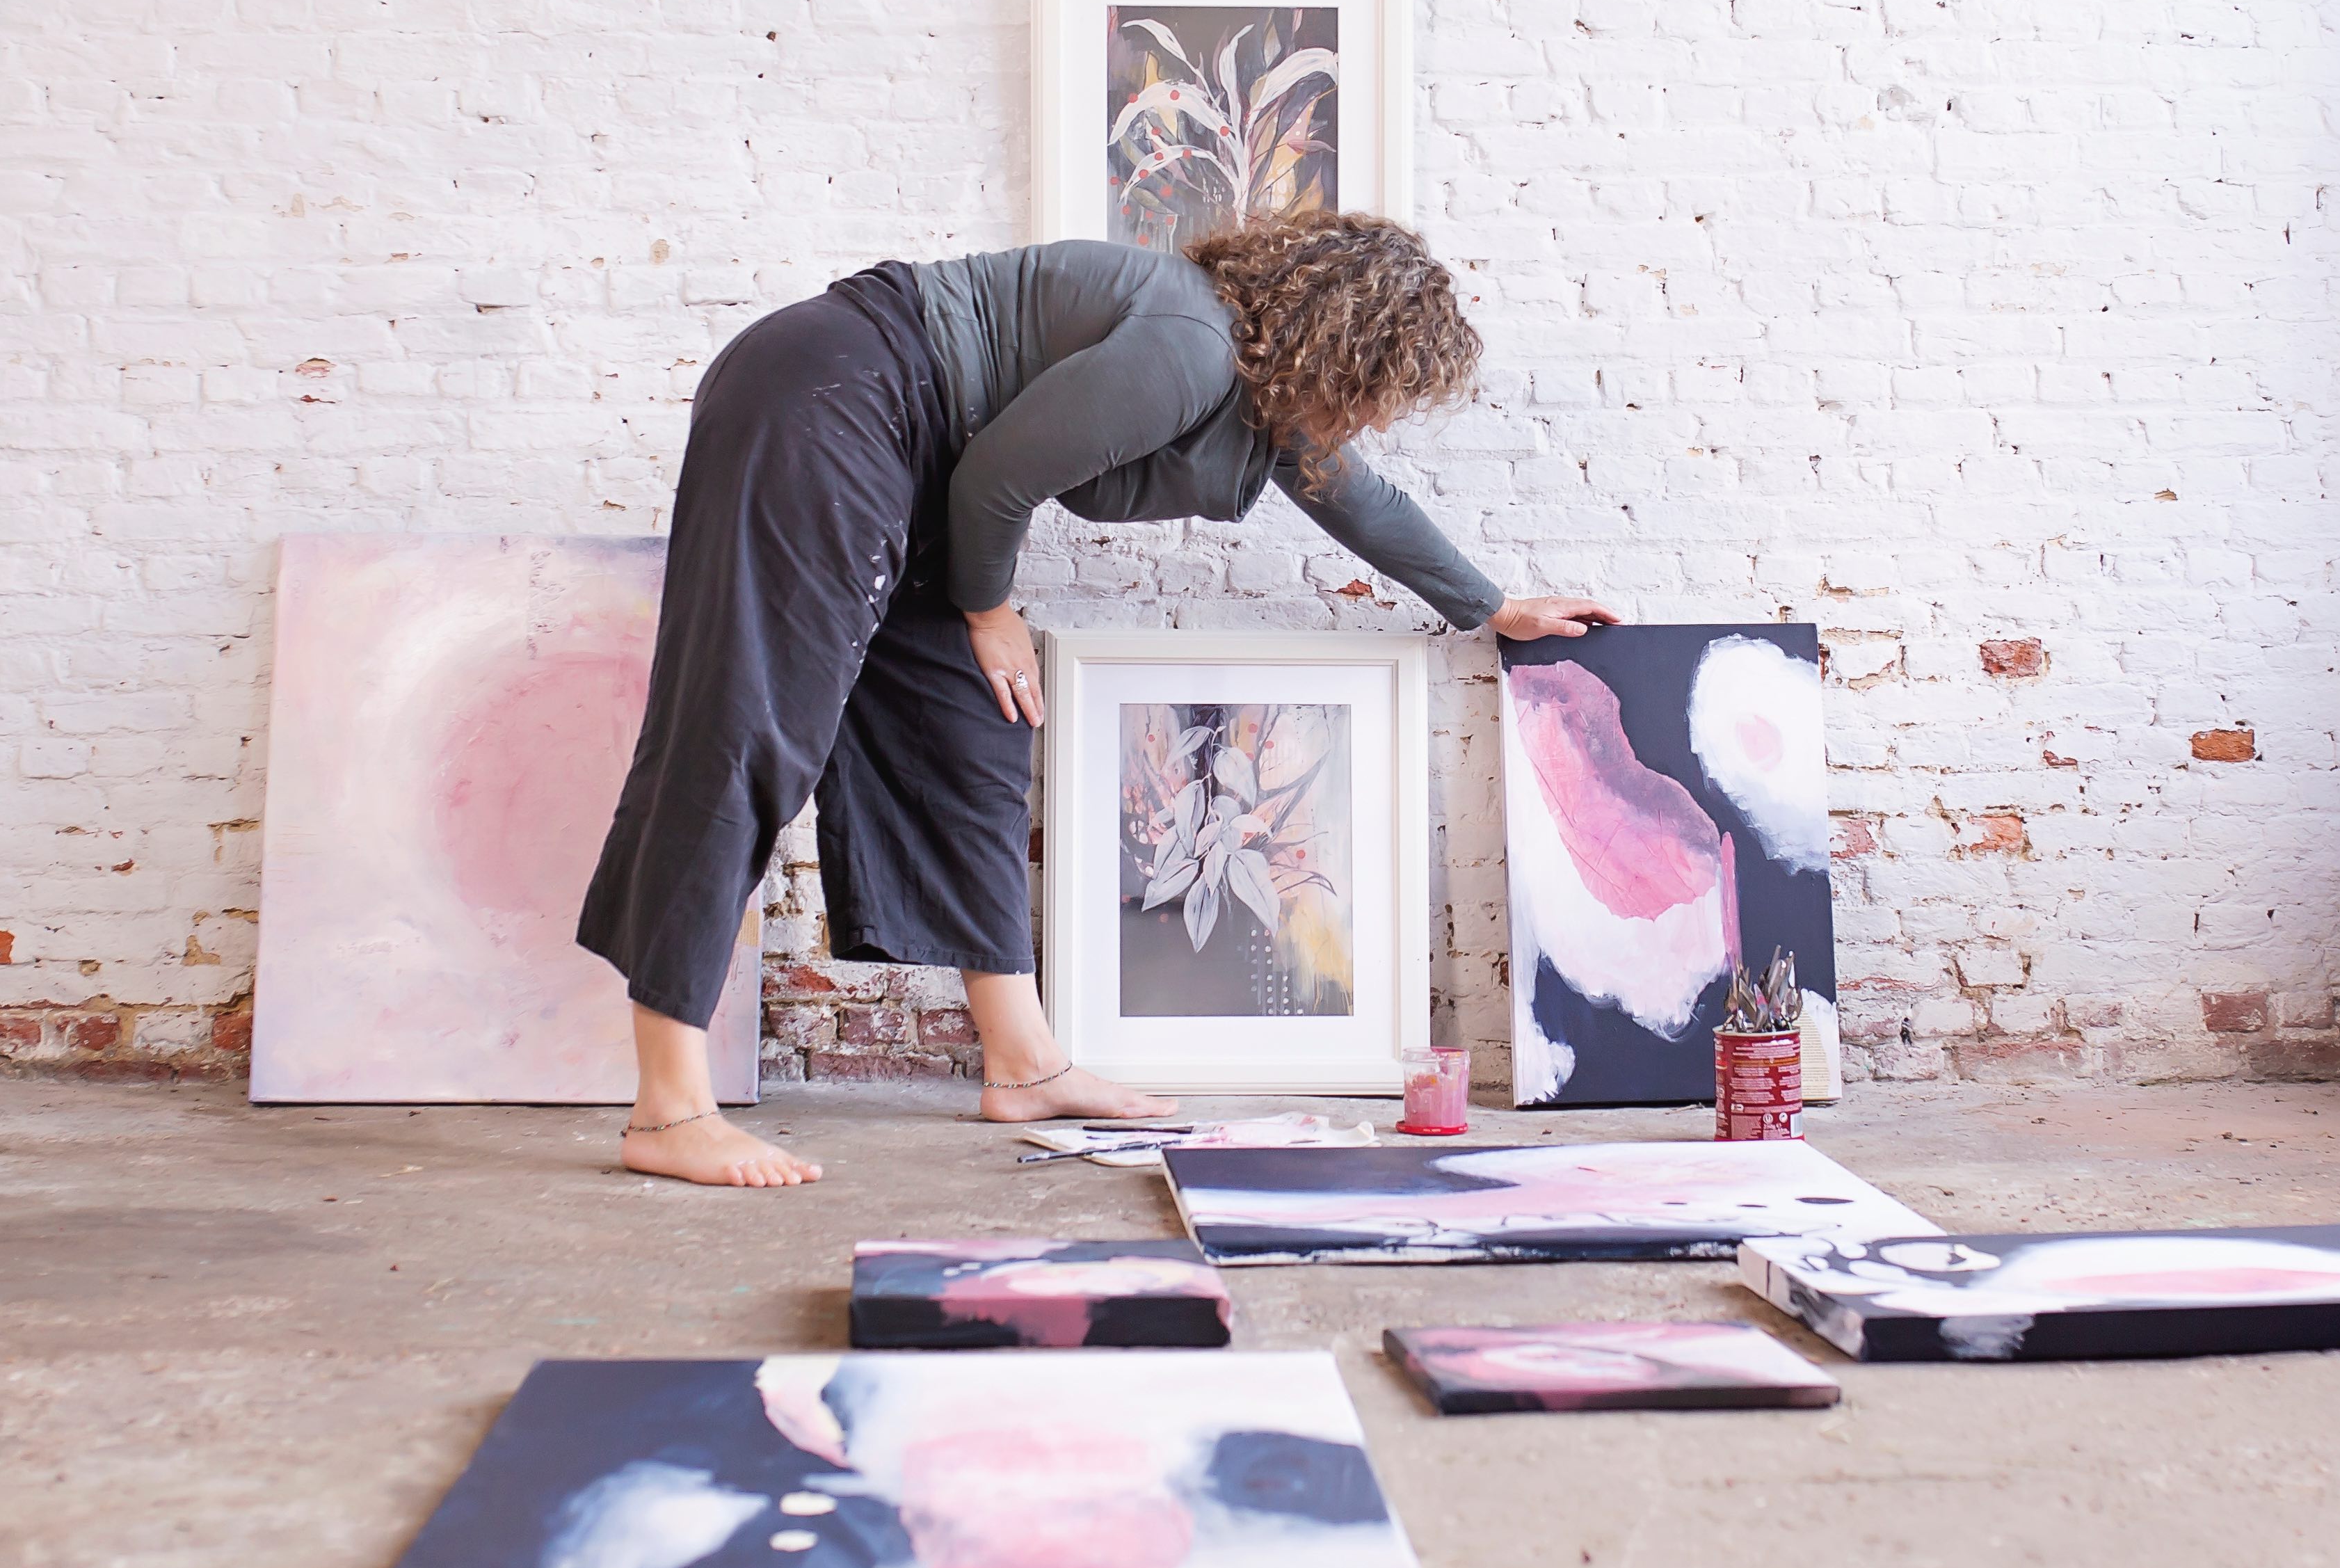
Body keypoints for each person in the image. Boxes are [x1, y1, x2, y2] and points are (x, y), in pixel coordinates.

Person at [575, 211, 1618, 1188]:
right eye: (1383, 389)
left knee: (970, 735)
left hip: (910, 444)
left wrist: (1495, 606)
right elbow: (999, 478)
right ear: (1345, 351)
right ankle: (668, 1107)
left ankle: (1024, 1062)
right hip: (836, 396)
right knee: (753, 724)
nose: (1377, 418)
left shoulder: (1259, 390)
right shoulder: (1193, 348)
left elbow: (1362, 501)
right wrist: (989, 610)